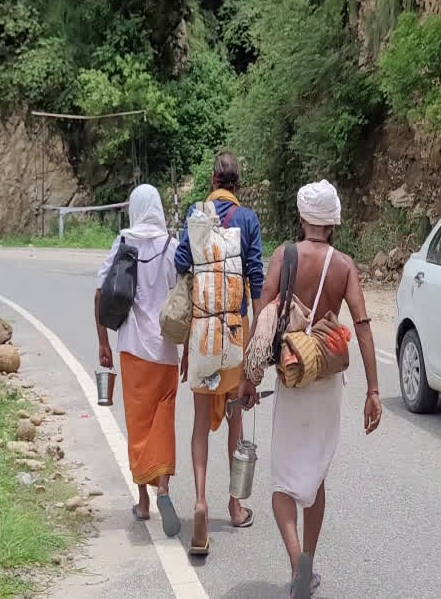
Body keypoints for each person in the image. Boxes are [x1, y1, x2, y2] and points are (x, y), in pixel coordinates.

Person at [240, 179, 382, 598]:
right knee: (315, 475)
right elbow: (362, 324)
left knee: (284, 482)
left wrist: (249, 377)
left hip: (290, 372)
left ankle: (296, 563)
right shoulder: (345, 265)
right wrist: (373, 390)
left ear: (303, 217)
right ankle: (309, 564)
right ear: (334, 220)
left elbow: (264, 313)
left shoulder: (284, 257)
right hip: (325, 379)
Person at [174, 152, 264, 554]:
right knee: (234, 422)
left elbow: (180, 262)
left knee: (197, 424)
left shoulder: (197, 212)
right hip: (234, 335)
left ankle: (199, 500)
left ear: (212, 179)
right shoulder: (247, 220)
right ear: (238, 183)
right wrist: (259, 337)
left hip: (202, 332)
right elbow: (256, 277)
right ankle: (234, 503)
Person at [95, 184, 182, 537]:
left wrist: (103, 343)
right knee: (164, 420)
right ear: (159, 208)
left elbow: (100, 292)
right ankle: (164, 488)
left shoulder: (122, 244)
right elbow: (185, 302)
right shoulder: (172, 247)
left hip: (131, 348)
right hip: (164, 351)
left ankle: (144, 501)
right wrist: (189, 349)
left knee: (138, 424)